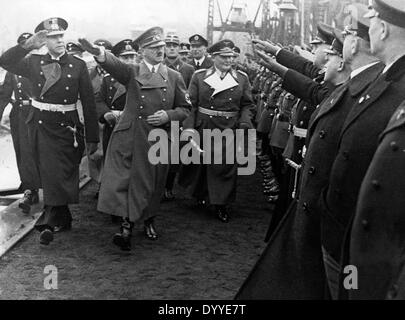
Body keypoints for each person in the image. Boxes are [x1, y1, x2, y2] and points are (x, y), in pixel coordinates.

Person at [236, 5, 385, 298]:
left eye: (346, 35)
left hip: (332, 227)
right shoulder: (354, 83)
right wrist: (278, 58)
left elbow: (313, 83)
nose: (327, 55)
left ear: (354, 43)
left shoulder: (365, 88)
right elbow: (312, 74)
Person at [79, 26, 191, 251]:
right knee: (126, 181)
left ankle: (149, 219)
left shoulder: (174, 76)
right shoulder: (132, 71)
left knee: (153, 183)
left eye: (161, 47)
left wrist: (168, 115)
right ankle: (126, 226)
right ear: (142, 52)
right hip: (130, 136)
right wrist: (98, 53)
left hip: (158, 138)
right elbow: (113, 64)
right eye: (154, 48)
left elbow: (185, 108)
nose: (160, 51)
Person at [0, 18, 99, 245]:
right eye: (53, 37)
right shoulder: (33, 62)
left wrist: (92, 137)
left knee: (61, 172)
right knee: (51, 172)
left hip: (68, 128)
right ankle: (49, 221)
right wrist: (28, 45)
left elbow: (88, 102)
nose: (60, 41)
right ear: (44, 41)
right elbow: (5, 61)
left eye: (61, 36)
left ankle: (59, 217)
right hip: (41, 126)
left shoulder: (78, 64)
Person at [341, 0, 405, 300]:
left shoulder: (397, 85)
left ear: (381, 28)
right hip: (366, 258)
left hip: (382, 274)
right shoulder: (389, 78)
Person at [178, 39, 254, 223]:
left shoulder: (241, 78)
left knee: (225, 167)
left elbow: (248, 105)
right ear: (214, 57)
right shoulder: (199, 76)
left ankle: (221, 204)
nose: (229, 60)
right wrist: (188, 128)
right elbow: (191, 105)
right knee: (201, 165)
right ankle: (201, 196)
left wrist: (244, 122)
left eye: (232, 56)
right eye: (224, 57)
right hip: (205, 125)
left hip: (229, 127)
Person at [0, 32, 41, 214]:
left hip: (39, 112)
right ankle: (29, 189)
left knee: (41, 151)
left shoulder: (40, 66)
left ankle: (44, 190)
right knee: (23, 152)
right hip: (20, 115)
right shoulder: (12, 72)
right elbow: (3, 95)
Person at [163, 33, 195, 201]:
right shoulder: (159, 66)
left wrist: (187, 122)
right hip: (162, 116)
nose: (172, 48)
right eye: (168, 45)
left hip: (180, 117)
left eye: (175, 45)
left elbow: (190, 98)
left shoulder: (188, 69)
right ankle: (158, 186)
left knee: (175, 156)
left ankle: (168, 186)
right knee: (159, 152)